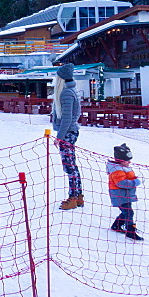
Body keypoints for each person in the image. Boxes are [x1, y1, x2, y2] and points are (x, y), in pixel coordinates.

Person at [53, 63, 84, 210]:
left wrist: (59, 137)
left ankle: (72, 198)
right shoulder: (73, 91)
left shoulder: (65, 93)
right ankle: (78, 196)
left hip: (67, 133)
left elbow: (67, 118)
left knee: (69, 166)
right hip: (72, 132)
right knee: (72, 165)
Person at [107, 143, 143, 241]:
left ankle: (116, 226)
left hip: (125, 194)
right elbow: (121, 183)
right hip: (119, 195)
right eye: (127, 160)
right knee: (129, 212)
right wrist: (135, 182)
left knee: (126, 212)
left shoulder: (122, 168)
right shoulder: (117, 170)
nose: (130, 162)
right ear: (121, 161)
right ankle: (130, 232)